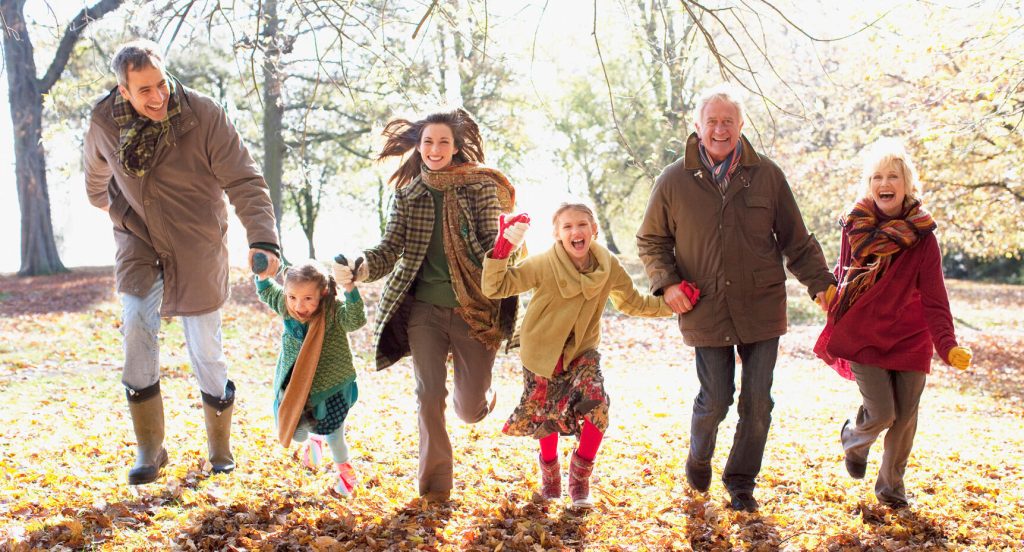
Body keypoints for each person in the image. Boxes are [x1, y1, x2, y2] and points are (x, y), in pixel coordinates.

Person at [83, 39, 280, 484]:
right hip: (139, 239)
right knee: (135, 324)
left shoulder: (203, 115)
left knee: (205, 347)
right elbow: (96, 180)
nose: (158, 97)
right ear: (123, 91)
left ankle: (219, 447)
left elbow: (246, 180)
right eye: (144, 91)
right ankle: (150, 448)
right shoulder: (103, 121)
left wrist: (263, 239)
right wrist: (115, 209)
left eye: (161, 84)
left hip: (197, 241)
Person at [636, 84, 836, 512]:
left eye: (729, 121)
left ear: (741, 126)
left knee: (757, 402)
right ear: (698, 127)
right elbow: (651, 240)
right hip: (704, 304)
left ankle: (741, 481)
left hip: (761, 304)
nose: (721, 130)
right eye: (713, 122)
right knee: (716, 400)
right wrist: (668, 284)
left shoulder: (767, 175)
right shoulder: (673, 180)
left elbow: (796, 241)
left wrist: (820, 283)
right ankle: (698, 455)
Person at [335, 108, 517, 502]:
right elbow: (390, 247)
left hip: (474, 309)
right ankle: (435, 488)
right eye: (428, 141)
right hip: (424, 313)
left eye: (443, 142)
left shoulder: (480, 188)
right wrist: (361, 267)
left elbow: (491, 245)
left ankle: (480, 400)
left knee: (467, 409)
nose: (435, 149)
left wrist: (507, 246)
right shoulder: (409, 194)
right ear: (418, 146)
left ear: (456, 147)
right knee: (428, 395)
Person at [813, 138, 972, 509]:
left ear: (908, 184)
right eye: (876, 177)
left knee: (904, 420)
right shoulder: (855, 225)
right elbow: (844, 272)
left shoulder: (923, 237)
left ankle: (890, 488)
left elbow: (935, 298)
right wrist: (829, 291)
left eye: (893, 176)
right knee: (884, 412)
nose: (885, 183)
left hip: (910, 337)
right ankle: (854, 437)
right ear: (869, 185)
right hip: (863, 334)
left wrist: (947, 345)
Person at [482, 203, 672, 508]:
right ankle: (551, 476)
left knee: (598, 405)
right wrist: (502, 249)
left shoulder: (607, 265)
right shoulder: (544, 263)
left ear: (594, 230)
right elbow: (496, 286)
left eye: (582, 224)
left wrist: (672, 305)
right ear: (557, 234)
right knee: (547, 417)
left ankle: (580, 479)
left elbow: (632, 301)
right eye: (567, 226)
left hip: (582, 353)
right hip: (541, 353)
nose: (576, 231)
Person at [254, 260, 367, 497]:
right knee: (298, 432)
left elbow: (355, 320)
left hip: (331, 386)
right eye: (293, 297)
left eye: (308, 298)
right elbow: (267, 292)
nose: (299, 305)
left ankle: (347, 476)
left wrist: (350, 289)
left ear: (323, 293)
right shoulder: (287, 306)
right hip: (298, 385)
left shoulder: (333, 310)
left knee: (334, 435)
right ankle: (314, 443)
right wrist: (263, 275)